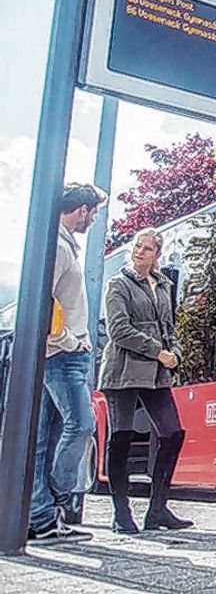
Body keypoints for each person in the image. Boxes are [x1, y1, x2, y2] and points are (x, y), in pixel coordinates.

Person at [28, 183, 106, 543]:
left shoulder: (63, 246)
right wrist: (69, 342)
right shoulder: (59, 248)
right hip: (63, 355)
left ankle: (40, 517)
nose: (92, 219)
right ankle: (59, 495)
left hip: (58, 355)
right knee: (82, 426)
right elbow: (41, 302)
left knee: (47, 435)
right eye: (92, 212)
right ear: (81, 210)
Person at [100, 228, 192, 533]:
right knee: (121, 439)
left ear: (157, 255)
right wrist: (158, 352)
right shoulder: (118, 284)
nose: (139, 252)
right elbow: (119, 330)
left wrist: (175, 352)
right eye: (137, 246)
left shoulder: (163, 285)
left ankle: (157, 510)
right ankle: (120, 513)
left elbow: (170, 329)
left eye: (147, 248)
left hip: (156, 374)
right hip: (123, 372)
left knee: (173, 433)